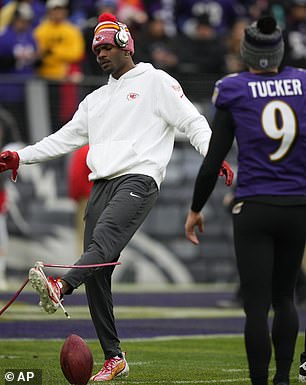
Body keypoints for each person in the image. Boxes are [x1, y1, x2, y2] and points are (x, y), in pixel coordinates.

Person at [0, 12, 233, 382]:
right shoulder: (96, 99)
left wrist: (213, 154)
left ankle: (61, 284)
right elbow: (62, 139)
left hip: (138, 179)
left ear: (127, 44)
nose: (101, 54)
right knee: (99, 272)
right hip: (102, 184)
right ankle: (115, 357)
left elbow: (193, 122)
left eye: (107, 46)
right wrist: (20, 156)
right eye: (96, 50)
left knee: (102, 244)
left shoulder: (156, 81)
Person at [184, 15, 306, 385]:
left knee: (256, 306)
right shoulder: (302, 83)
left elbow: (212, 163)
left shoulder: (234, 88)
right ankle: (283, 379)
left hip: (253, 205)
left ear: (246, 50)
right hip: (297, 205)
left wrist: (195, 209)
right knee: (286, 298)